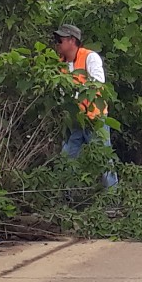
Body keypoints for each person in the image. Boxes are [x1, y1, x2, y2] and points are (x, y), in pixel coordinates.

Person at [52, 24, 117, 188]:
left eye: (59, 40)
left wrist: (74, 96)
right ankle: (67, 200)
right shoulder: (60, 63)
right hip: (74, 121)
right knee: (67, 159)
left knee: (104, 160)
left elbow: (98, 82)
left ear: (72, 41)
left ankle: (112, 200)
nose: (56, 44)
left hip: (94, 119)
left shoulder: (90, 57)